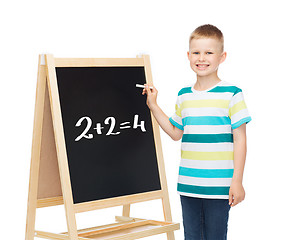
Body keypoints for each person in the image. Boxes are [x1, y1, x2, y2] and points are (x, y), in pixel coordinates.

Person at [142, 24, 251, 240]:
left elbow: (240, 139)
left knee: (215, 236)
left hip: (219, 186)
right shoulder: (184, 95)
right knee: (191, 236)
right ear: (188, 55)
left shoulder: (232, 94)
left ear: (222, 57)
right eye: (196, 52)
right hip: (188, 185)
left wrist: (237, 181)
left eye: (209, 52)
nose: (202, 58)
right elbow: (175, 133)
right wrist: (153, 105)